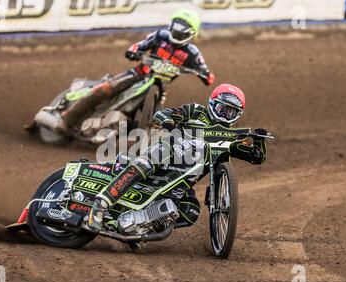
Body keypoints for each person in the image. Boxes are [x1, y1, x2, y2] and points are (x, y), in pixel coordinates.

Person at [87, 83, 268, 230]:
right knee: (150, 161)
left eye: (231, 112)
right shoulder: (196, 111)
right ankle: (100, 204)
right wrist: (168, 123)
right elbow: (162, 114)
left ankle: (139, 226)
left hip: (181, 183)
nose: (225, 115)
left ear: (238, 115)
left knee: (191, 211)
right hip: (168, 155)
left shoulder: (231, 138)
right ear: (212, 104)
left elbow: (256, 157)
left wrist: (259, 140)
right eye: (222, 109)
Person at [55, 8, 215, 135]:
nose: (177, 33)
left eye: (182, 31)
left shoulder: (193, 54)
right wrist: (133, 51)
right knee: (104, 89)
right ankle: (66, 120)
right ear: (171, 25)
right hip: (139, 73)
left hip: (161, 86)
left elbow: (208, 75)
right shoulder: (161, 36)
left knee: (160, 120)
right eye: (176, 29)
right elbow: (139, 45)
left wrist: (205, 75)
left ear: (191, 34)